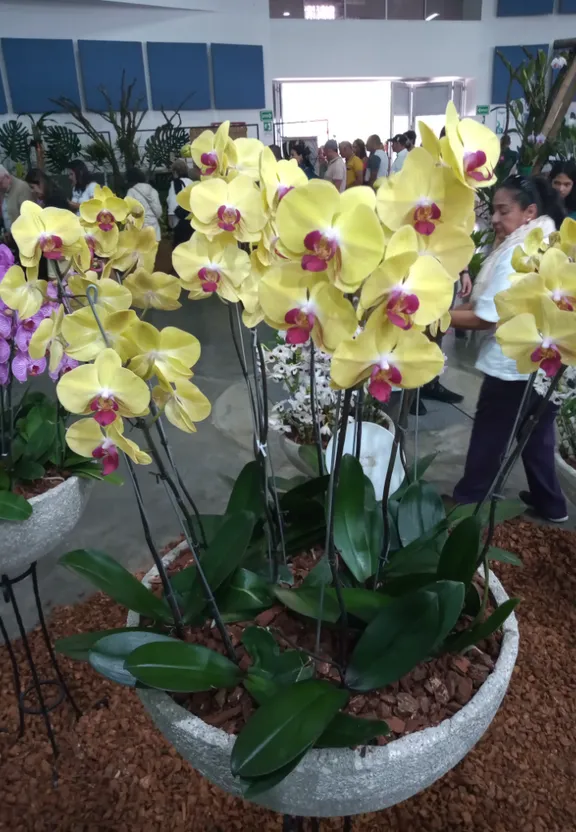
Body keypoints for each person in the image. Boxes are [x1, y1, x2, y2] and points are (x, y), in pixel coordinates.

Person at [451, 175, 568, 523]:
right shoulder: (549, 238)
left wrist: (436, 316)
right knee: (535, 432)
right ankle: (552, 504)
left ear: (529, 211)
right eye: (493, 211)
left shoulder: (519, 250)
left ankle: (466, 504)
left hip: (514, 360)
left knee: (491, 433)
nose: (496, 220)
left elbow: (488, 317)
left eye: (504, 211)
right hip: (550, 355)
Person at [125, 167, 163, 242]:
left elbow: (127, 211)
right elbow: (159, 212)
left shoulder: (131, 191)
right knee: (153, 252)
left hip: (138, 229)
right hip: (154, 229)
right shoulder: (153, 191)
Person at [0, 165, 33, 235]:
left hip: (22, 237)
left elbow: (28, 218)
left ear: (7, 177)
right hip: (9, 236)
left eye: (0, 183)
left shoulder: (22, 188)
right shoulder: (3, 190)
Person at [167, 159, 194, 247]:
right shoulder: (192, 183)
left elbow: (173, 201)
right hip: (192, 218)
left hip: (180, 220)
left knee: (179, 246)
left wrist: (170, 217)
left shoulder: (175, 183)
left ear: (175, 172)